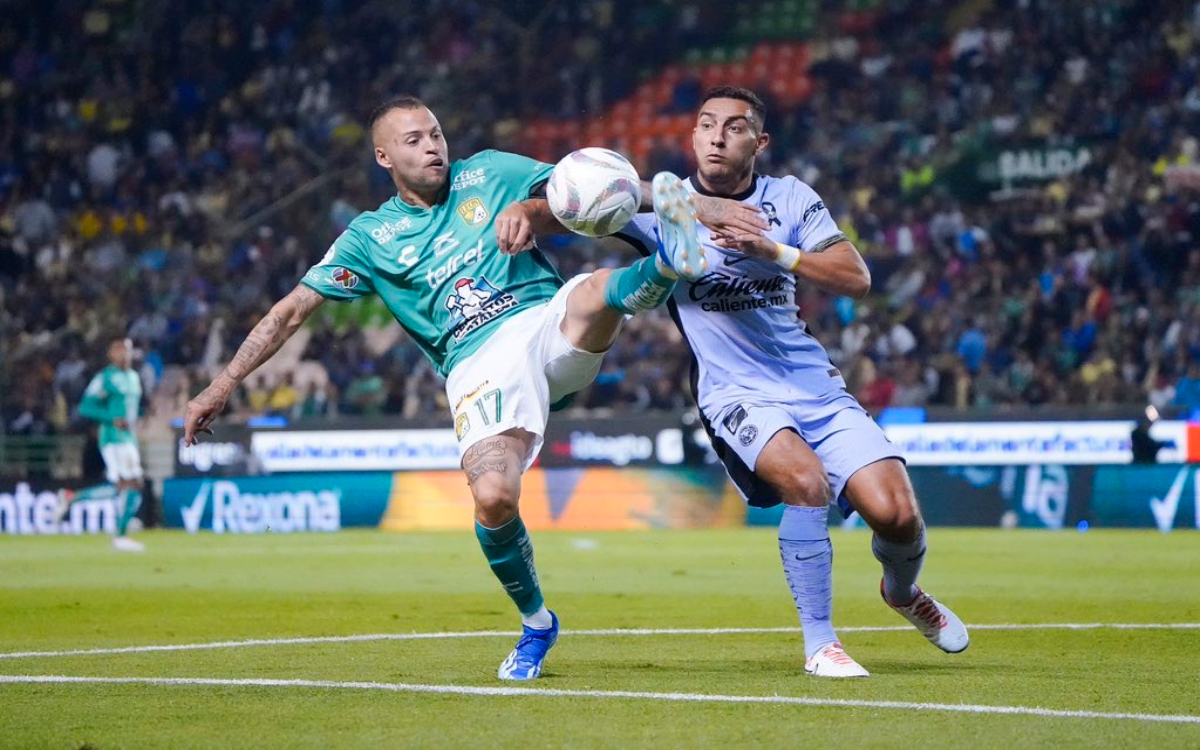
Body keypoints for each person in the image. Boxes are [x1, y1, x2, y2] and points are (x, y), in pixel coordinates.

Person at [182, 95, 760, 681]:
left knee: (591, 290)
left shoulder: (490, 170)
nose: (432, 145)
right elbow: (291, 311)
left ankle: (667, 265)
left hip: (543, 322)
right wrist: (222, 384)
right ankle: (537, 623)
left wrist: (543, 211)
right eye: (414, 140)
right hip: (475, 364)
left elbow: (597, 187)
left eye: (435, 133)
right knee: (492, 498)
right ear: (383, 156)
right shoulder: (369, 237)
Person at [613, 86, 969, 677]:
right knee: (806, 483)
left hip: (816, 389)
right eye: (706, 125)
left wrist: (773, 250)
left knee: (897, 514)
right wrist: (525, 212)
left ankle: (903, 594)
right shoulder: (662, 211)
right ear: (693, 138)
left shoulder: (789, 198)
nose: (718, 136)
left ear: (760, 141)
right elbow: (567, 196)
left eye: (734, 126)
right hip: (735, 393)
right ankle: (821, 643)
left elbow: (855, 277)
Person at [60, 336, 146, 552]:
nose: (124, 353)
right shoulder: (105, 377)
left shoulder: (134, 377)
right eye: (119, 349)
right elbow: (85, 407)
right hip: (113, 437)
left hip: (129, 436)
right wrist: (111, 418)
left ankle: (73, 498)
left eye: (127, 349)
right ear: (111, 354)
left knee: (123, 486)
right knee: (132, 482)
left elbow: (132, 408)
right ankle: (120, 535)